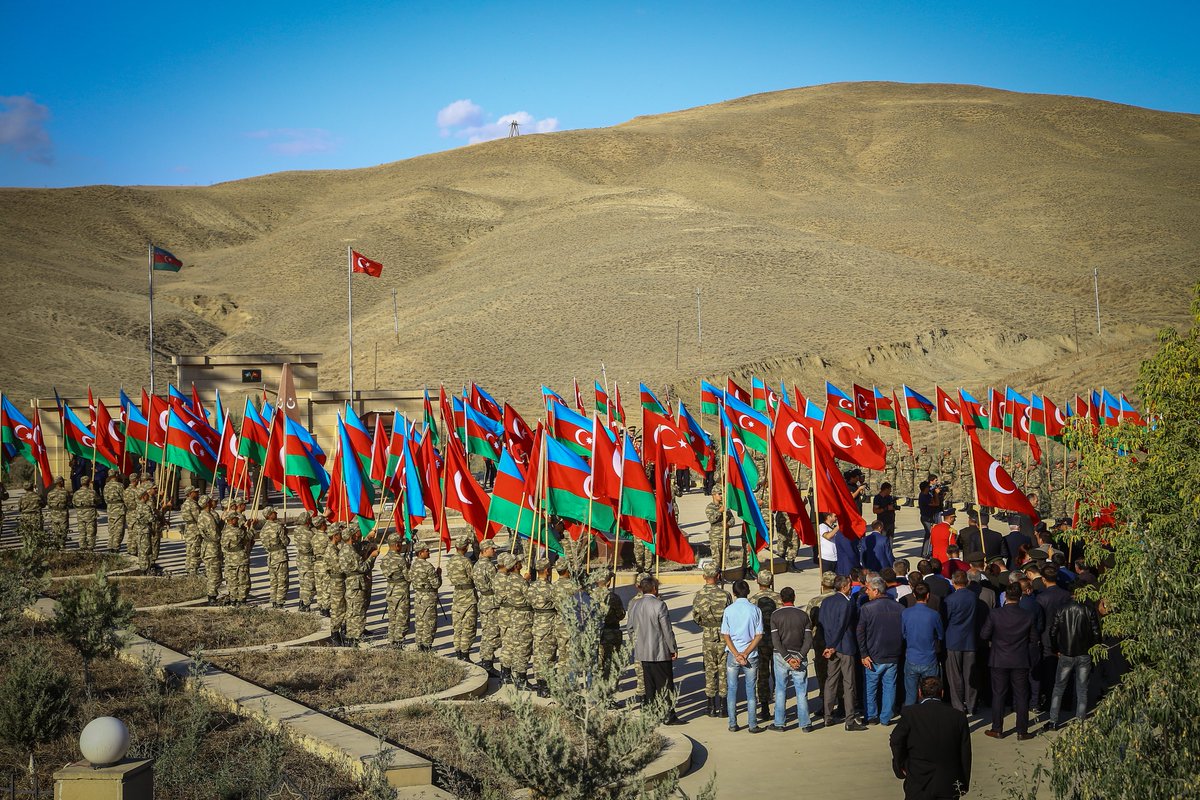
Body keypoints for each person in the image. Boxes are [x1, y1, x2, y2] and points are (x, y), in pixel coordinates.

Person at [889, 676, 972, 800]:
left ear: (920, 693)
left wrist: (901, 766)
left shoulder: (910, 714)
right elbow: (965, 753)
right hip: (948, 783)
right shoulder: (958, 717)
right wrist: (963, 783)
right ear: (942, 693)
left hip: (918, 782)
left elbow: (896, 741)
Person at [981, 583, 1039, 739]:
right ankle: (1022, 731)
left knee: (998, 695)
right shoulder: (1028, 615)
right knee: (1021, 696)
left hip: (999, 658)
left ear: (1005, 597)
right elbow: (1034, 639)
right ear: (1020, 597)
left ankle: (997, 728)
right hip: (1020, 659)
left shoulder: (995, 614)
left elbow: (984, 634)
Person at [1045, 583, 1101, 731]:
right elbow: (1096, 633)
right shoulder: (1088, 609)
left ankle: (1053, 721)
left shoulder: (1062, 609)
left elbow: (1053, 631)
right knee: (1082, 688)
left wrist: (1055, 648)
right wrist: (1093, 648)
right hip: (1084, 653)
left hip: (1066, 653)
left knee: (1058, 687)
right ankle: (1080, 720)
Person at [627, 576, 681, 724]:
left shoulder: (635, 604)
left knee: (649, 685)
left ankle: (653, 714)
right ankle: (669, 715)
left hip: (643, 652)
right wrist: (673, 648)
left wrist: (637, 643)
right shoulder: (659, 605)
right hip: (660, 652)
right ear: (655, 589)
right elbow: (667, 630)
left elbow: (630, 628)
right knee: (665, 684)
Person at [820, 575, 867, 730]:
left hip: (830, 647)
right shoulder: (847, 603)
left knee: (831, 681)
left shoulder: (826, 602)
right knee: (849, 683)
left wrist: (829, 644)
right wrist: (833, 645)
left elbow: (823, 623)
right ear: (845, 587)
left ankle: (827, 716)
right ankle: (850, 720)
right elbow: (842, 625)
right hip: (844, 647)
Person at [857, 575, 904, 726]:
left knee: (871, 688)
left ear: (876, 591)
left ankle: (871, 716)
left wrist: (864, 654)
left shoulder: (867, 609)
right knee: (890, 687)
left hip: (873, 655)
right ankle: (886, 717)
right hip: (893, 654)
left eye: (869, 590)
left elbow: (860, 632)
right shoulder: (899, 608)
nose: (866, 592)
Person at [721, 579, 764, 732]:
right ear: (748, 592)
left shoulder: (729, 610)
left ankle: (733, 723)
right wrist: (745, 653)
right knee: (750, 690)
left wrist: (736, 653)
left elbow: (725, 634)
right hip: (750, 655)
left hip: (733, 655)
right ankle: (752, 724)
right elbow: (759, 635)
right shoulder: (755, 610)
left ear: (733, 593)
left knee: (732, 689)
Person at [770, 586, 814, 732]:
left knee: (781, 689)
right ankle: (805, 724)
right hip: (799, 657)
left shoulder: (775, 616)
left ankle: (779, 723)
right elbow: (808, 640)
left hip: (781, 657)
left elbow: (776, 641)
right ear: (794, 597)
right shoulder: (803, 616)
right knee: (801, 691)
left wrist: (788, 658)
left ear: (781, 599)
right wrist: (799, 657)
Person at [942, 570, 982, 715]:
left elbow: (945, 619)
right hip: (970, 640)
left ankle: (958, 706)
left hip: (953, 641)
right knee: (970, 675)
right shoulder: (974, 597)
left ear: (953, 582)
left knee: (954, 677)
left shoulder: (950, 600)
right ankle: (971, 705)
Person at [1035, 564, 1072, 711]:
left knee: (1049, 670)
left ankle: (1050, 700)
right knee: (1065, 668)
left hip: (1047, 635)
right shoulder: (1066, 595)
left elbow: (1040, 619)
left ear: (1044, 579)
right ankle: (1066, 700)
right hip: (1064, 634)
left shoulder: (1041, 597)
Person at [901, 582, 944, 706]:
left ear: (914, 595)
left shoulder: (906, 613)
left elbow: (903, 633)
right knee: (931, 694)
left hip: (911, 657)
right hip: (929, 658)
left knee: (910, 694)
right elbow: (941, 635)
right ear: (928, 595)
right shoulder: (934, 615)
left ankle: (909, 719)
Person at [749, 570, 782, 722]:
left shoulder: (753, 600)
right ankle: (779, 708)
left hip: (759, 641)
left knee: (762, 675)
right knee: (778, 675)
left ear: (758, 582)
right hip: (777, 641)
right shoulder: (779, 598)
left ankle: (764, 708)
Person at [805, 572, 838, 719]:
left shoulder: (815, 601)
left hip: (820, 641)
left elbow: (808, 623)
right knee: (840, 672)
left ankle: (825, 704)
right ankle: (842, 703)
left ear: (822, 584)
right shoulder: (841, 599)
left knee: (822, 673)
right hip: (838, 640)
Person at [446, 534, 478, 662]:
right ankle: (465, 653)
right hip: (468, 595)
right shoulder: (466, 562)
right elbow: (473, 577)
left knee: (458, 625)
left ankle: (458, 651)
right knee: (468, 626)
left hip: (457, 594)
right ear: (465, 548)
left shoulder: (450, 561)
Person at [378, 532, 411, 648]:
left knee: (392, 617)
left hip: (390, 589)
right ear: (397, 545)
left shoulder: (385, 558)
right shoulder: (400, 559)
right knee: (402, 618)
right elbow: (408, 577)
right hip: (400, 591)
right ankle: (398, 642)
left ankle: (391, 640)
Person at [473, 539, 501, 673]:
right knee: (492, 633)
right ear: (485, 550)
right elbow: (497, 585)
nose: (494, 551)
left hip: (484, 600)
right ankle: (487, 663)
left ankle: (485, 658)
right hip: (491, 601)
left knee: (486, 632)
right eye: (492, 549)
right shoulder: (489, 566)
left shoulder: (477, 564)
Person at [410, 541, 442, 653]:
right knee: (430, 623)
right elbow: (436, 584)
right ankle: (426, 646)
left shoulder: (414, 565)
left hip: (418, 596)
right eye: (426, 550)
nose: (429, 552)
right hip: (428, 597)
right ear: (420, 553)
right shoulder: (428, 567)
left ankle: (419, 644)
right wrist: (439, 574)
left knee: (419, 622)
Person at [257, 507, 290, 608]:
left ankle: (274, 600)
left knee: (273, 580)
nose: (276, 513)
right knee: (282, 580)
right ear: (269, 515)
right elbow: (286, 542)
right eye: (274, 512)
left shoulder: (263, 529)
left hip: (271, 556)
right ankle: (280, 601)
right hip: (280, 556)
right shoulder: (277, 527)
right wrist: (286, 533)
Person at [221, 512, 253, 605]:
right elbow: (248, 537)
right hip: (240, 559)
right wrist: (251, 528)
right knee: (243, 580)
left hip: (229, 559)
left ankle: (233, 598)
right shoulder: (238, 531)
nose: (237, 520)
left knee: (232, 580)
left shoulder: (224, 532)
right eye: (236, 519)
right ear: (231, 520)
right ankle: (241, 599)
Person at [72, 476, 99, 552]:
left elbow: (74, 503)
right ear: (88, 482)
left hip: (80, 514)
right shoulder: (92, 492)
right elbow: (98, 501)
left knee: (82, 531)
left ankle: (82, 546)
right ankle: (90, 547)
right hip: (90, 514)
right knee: (91, 531)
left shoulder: (77, 493)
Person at [103, 474, 127, 553]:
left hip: (110, 508)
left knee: (111, 528)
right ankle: (116, 547)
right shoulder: (120, 485)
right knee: (119, 529)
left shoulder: (106, 486)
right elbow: (124, 497)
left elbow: (105, 498)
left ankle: (110, 545)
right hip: (119, 508)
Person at [46, 476, 71, 548]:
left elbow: (49, 504)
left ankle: (56, 543)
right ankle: (62, 544)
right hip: (63, 513)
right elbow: (69, 503)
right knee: (64, 529)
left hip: (54, 513)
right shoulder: (65, 492)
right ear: (61, 482)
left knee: (55, 529)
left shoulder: (50, 493)